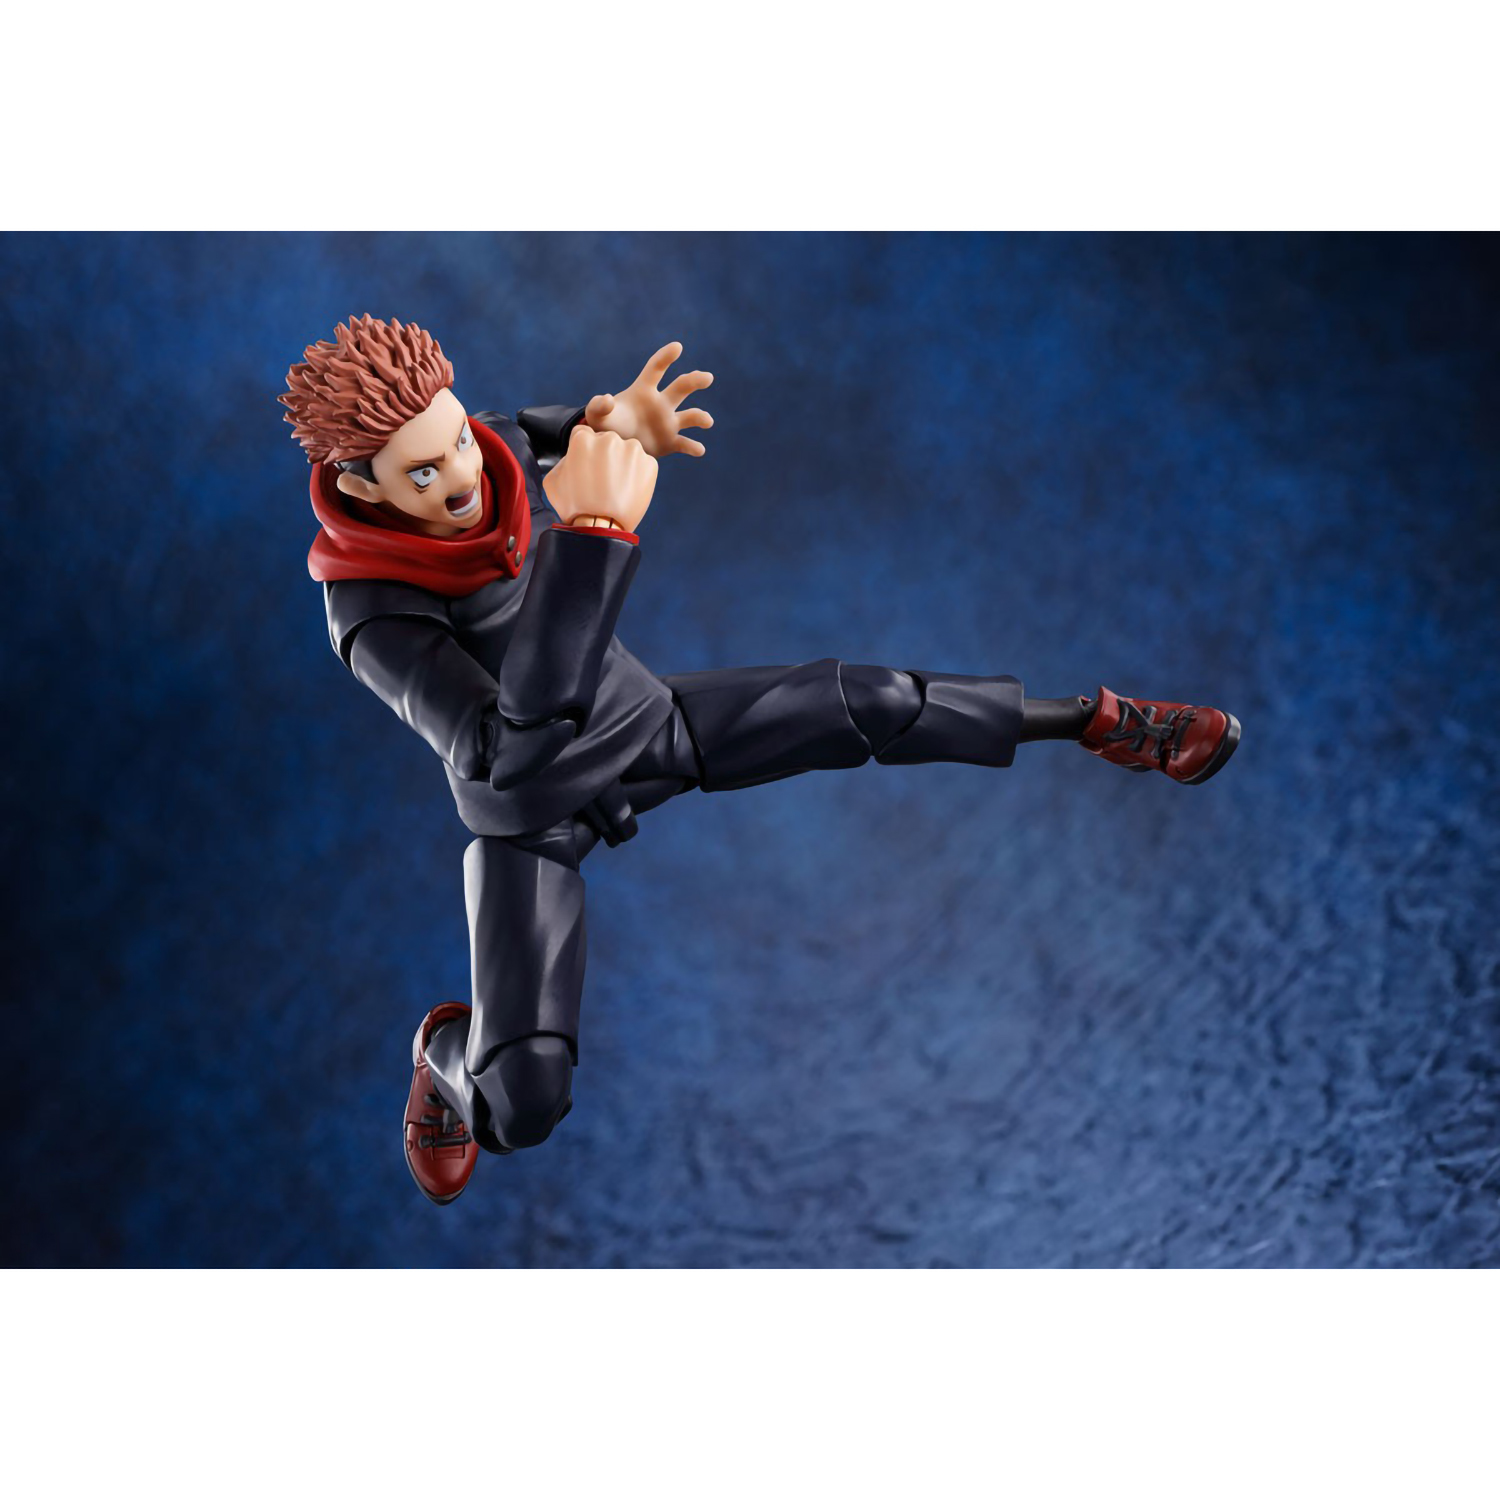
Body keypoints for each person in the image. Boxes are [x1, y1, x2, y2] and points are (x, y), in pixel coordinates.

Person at [282, 315, 1242, 1205]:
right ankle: (446, 1057)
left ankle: (1096, 721)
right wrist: (594, 541)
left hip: (645, 722)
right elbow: (511, 752)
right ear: (362, 488)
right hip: (535, 814)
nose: (464, 476)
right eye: (423, 473)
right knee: (523, 1101)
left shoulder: (482, 452)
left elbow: (541, 431)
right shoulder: (372, 613)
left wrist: (614, 421)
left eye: (456, 439)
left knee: (873, 702)